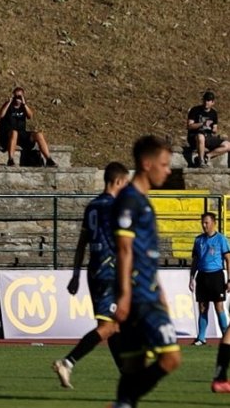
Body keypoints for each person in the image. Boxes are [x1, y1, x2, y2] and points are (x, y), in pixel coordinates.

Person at [109, 135, 180, 408]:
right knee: (170, 358)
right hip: (138, 295)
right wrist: (125, 295)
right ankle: (124, 402)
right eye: (164, 164)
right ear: (146, 164)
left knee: (134, 365)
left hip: (149, 292)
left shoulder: (144, 202)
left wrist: (160, 291)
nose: (168, 170)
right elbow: (124, 250)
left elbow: (145, 254)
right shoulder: (129, 201)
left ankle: (124, 403)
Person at [52, 162, 130, 389]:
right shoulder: (116, 207)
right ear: (118, 181)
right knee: (109, 326)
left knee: (113, 326)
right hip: (110, 272)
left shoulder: (92, 206)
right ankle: (67, 362)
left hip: (93, 270)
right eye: (125, 183)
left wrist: (76, 275)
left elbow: (81, 243)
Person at [189, 212, 230, 345]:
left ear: (214, 223)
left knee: (219, 307)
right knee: (202, 307)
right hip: (202, 276)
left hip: (216, 275)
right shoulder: (198, 240)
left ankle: (226, 337)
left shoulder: (221, 239)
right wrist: (191, 277)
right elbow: (195, 261)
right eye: (202, 222)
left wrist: (229, 280)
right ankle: (201, 338)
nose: (204, 225)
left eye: (206, 222)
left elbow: (228, 259)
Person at [0, 87, 56, 167]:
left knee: (39, 134)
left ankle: (49, 159)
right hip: (7, 135)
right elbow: (0, 115)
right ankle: (10, 160)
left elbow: (30, 116)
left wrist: (24, 104)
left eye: (20, 96)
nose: (17, 99)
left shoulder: (23, 107)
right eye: (16, 96)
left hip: (21, 134)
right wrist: (8, 103)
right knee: (14, 132)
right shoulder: (8, 106)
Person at [186, 91, 230, 167]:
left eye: (209, 101)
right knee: (201, 136)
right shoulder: (195, 110)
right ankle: (201, 161)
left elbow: (215, 129)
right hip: (195, 136)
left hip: (208, 137)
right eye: (205, 100)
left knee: (228, 145)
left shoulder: (214, 113)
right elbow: (189, 126)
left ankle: (207, 156)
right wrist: (202, 124)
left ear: (213, 102)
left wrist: (214, 129)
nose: (206, 102)